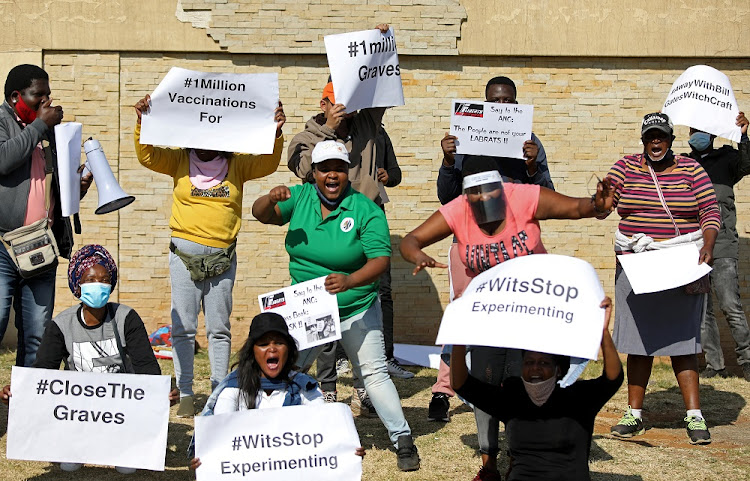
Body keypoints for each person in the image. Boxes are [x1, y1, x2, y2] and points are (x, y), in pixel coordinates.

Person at [400, 156, 613, 481]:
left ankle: (523, 456)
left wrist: (598, 204)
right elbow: (410, 240)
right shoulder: (458, 210)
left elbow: (578, 208)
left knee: (522, 383)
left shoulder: (523, 197)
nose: (483, 204)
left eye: (491, 197)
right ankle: (488, 464)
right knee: (485, 384)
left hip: (531, 308)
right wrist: (418, 255)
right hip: (490, 311)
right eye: (476, 199)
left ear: (504, 192)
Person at [253, 140, 420, 471]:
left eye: (339, 169)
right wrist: (268, 199)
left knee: (373, 373)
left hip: (356, 306)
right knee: (287, 370)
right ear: (313, 173)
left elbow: (380, 260)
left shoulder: (365, 209)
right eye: (325, 169)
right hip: (306, 308)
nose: (332, 175)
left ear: (348, 173)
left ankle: (402, 439)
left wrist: (350, 280)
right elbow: (262, 215)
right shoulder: (299, 197)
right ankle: (271, 437)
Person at [133, 94, 286, 417]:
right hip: (183, 257)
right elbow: (147, 156)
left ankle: (219, 391)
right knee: (183, 328)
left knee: (219, 328)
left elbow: (268, 162)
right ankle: (186, 392)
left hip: (222, 259)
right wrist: (142, 121)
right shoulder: (178, 160)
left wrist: (275, 132)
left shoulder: (238, 164)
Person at [429, 75, 555, 425]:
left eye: (508, 102)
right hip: (471, 238)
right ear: (484, 105)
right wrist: (448, 161)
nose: (501, 107)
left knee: (517, 310)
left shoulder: (530, 142)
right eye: (494, 101)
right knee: (463, 313)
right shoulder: (465, 138)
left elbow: (546, 195)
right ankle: (443, 389)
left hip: (515, 240)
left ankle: (510, 386)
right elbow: (446, 196)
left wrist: (532, 166)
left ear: (516, 105)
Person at [1, 244, 170, 475]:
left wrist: (161, 393)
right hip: (78, 413)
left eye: (104, 279)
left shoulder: (126, 318)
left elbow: (147, 368)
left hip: (120, 411)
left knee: (127, 469)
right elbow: (42, 373)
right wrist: (20, 394)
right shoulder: (61, 324)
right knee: (69, 465)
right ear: (77, 285)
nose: (98, 285)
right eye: (90, 280)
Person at [604, 112, 720, 445]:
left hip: (682, 261)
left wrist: (708, 245)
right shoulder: (626, 167)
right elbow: (606, 201)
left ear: (670, 139)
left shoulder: (691, 169)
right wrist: (601, 200)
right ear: (643, 141)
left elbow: (710, 210)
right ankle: (634, 414)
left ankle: (695, 417)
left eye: (662, 136)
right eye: (650, 137)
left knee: (684, 342)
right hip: (637, 263)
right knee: (639, 344)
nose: (656, 142)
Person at [449, 297, 623, 481]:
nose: (535, 368)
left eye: (544, 363)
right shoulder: (512, 399)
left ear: (559, 370)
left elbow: (613, 378)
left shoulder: (578, 399)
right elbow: (462, 384)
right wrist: (459, 334)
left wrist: (603, 332)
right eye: (529, 362)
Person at [0, 64, 92, 367]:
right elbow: (3, 160)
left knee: (37, 333)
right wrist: (39, 125)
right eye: (38, 96)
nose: (46, 102)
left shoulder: (52, 134)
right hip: (3, 246)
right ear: (16, 97)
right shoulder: (3, 121)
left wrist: (77, 189)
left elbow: (56, 191)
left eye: (48, 96)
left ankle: (24, 408)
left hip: (41, 244)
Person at [188, 312, 366, 468]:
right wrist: (207, 462)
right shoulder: (234, 389)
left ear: (288, 350)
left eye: (279, 343)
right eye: (264, 344)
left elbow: (324, 430)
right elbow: (220, 434)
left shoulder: (306, 388)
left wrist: (345, 452)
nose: (272, 348)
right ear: (253, 351)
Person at [685, 113, 750, 382]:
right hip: (692, 248)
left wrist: (743, 135)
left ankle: (747, 360)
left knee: (730, 304)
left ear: (712, 134)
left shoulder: (726, 159)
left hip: (722, 246)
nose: (696, 134)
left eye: (701, 129)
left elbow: (747, 164)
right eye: (692, 129)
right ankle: (715, 365)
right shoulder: (684, 164)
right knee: (702, 310)